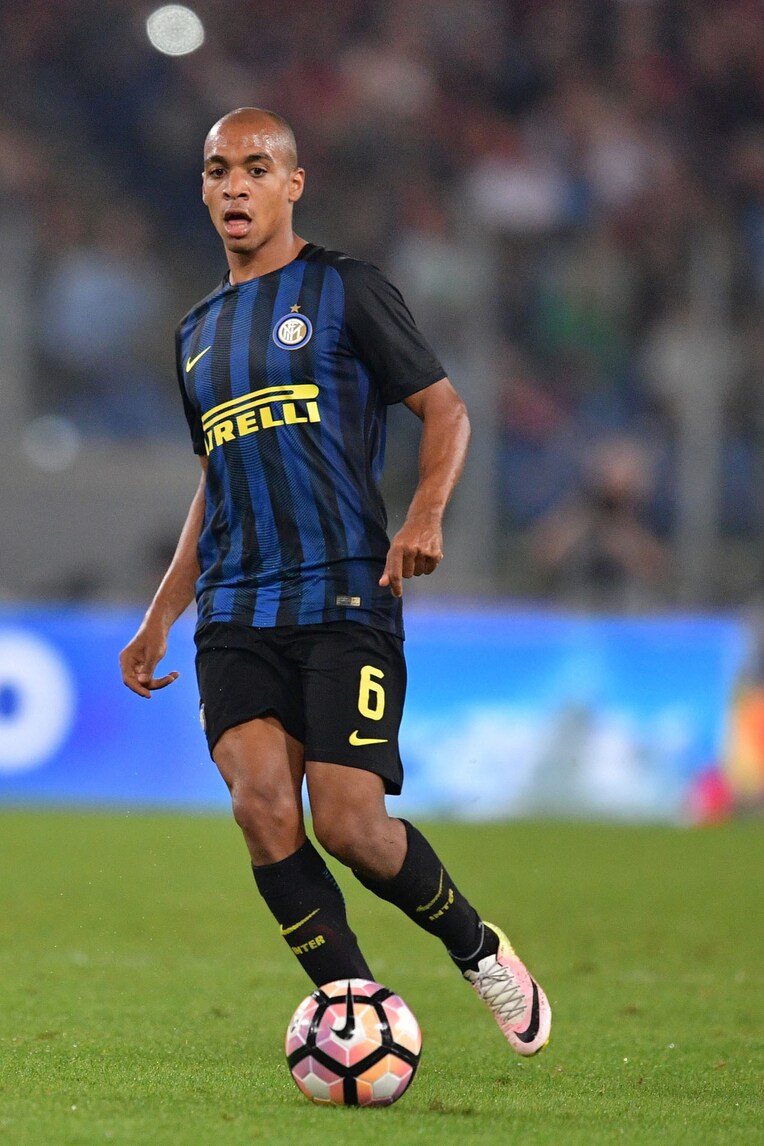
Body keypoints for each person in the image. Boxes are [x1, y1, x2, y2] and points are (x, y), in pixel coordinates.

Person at [119, 107, 551, 1057]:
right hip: (237, 605)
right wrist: (160, 615)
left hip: (345, 592)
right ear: (204, 188)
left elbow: (446, 410)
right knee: (261, 806)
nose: (235, 184)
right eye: (218, 169)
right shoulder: (195, 333)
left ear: (293, 184)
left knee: (352, 826)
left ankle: (478, 948)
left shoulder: (346, 289)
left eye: (255, 167)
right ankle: (354, 1009)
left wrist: (425, 514)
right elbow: (217, 477)